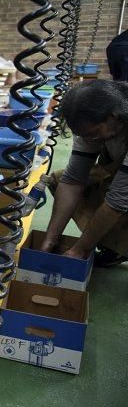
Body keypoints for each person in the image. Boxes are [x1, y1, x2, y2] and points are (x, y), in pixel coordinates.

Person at [39, 80, 128, 267]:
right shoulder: (90, 125)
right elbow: (73, 180)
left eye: (94, 134)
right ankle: (113, 247)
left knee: (117, 198)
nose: (89, 140)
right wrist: (50, 239)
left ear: (113, 116)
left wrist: (80, 249)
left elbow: (118, 201)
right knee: (60, 179)